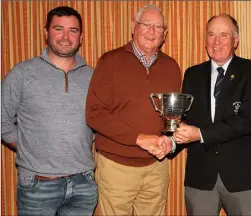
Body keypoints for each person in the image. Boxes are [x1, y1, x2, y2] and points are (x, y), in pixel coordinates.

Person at [85, 4, 181, 216]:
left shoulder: (172, 67)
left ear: (165, 34)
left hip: (157, 166)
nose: (151, 31)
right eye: (146, 24)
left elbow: (172, 118)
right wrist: (138, 138)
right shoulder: (109, 62)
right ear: (133, 27)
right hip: (116, 166)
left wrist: (169, 141)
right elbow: (94, 114)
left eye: (158, 27)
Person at [1, 6, 98, 216]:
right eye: (58, 29)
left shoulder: (94, 77)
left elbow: (103, 121)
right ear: (46, 33)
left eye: (72, 30)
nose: (65, 37)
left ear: (81, 37)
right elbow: (2, 119)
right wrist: (29, 147)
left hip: (83, 184)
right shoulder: (22, 73)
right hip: (37, 186)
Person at [172, 14, 251, 216]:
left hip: (240, 175)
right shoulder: (192, 74)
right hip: (200, 176)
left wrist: (200, 134)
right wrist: (170, 142)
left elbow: (247, 121)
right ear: (205, 40)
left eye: (224, 35)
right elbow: (185, 121)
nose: (216, 41)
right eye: (211, 35)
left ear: (236, 41)